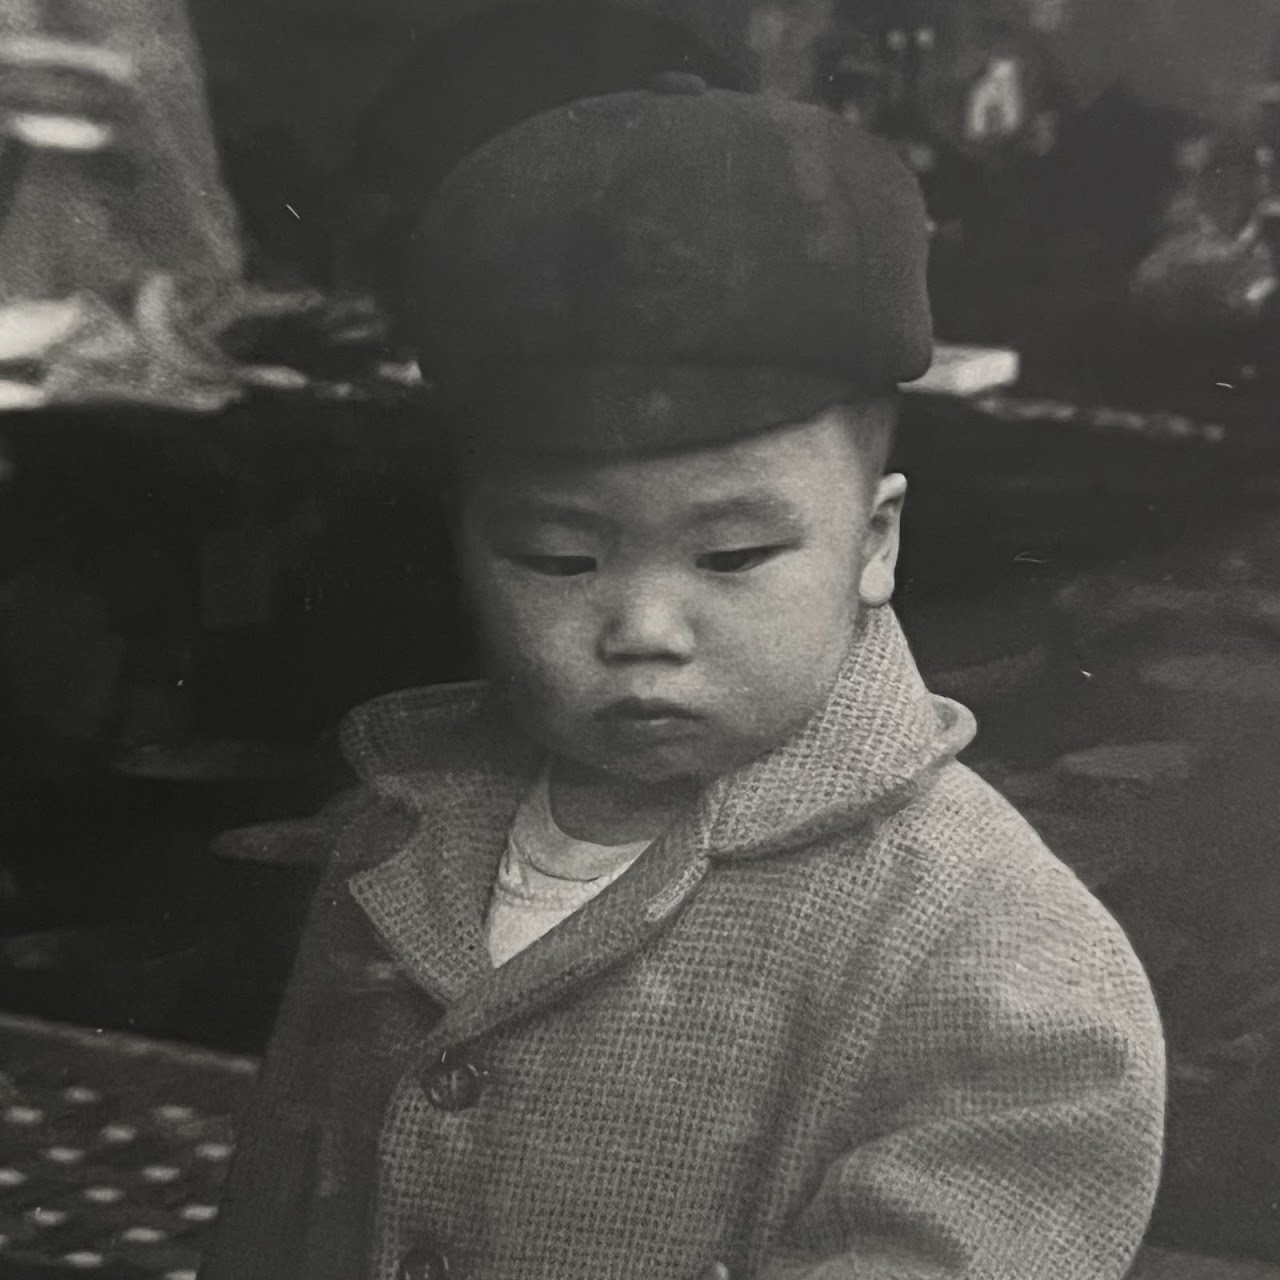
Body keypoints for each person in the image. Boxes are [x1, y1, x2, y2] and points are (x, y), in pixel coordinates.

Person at [202, 75, 1166, 1280]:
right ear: (463, 544)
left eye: (732, 555)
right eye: (557, 557)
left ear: (874, 542)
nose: (644, 627)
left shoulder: (991, 947)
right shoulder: (396, 828)